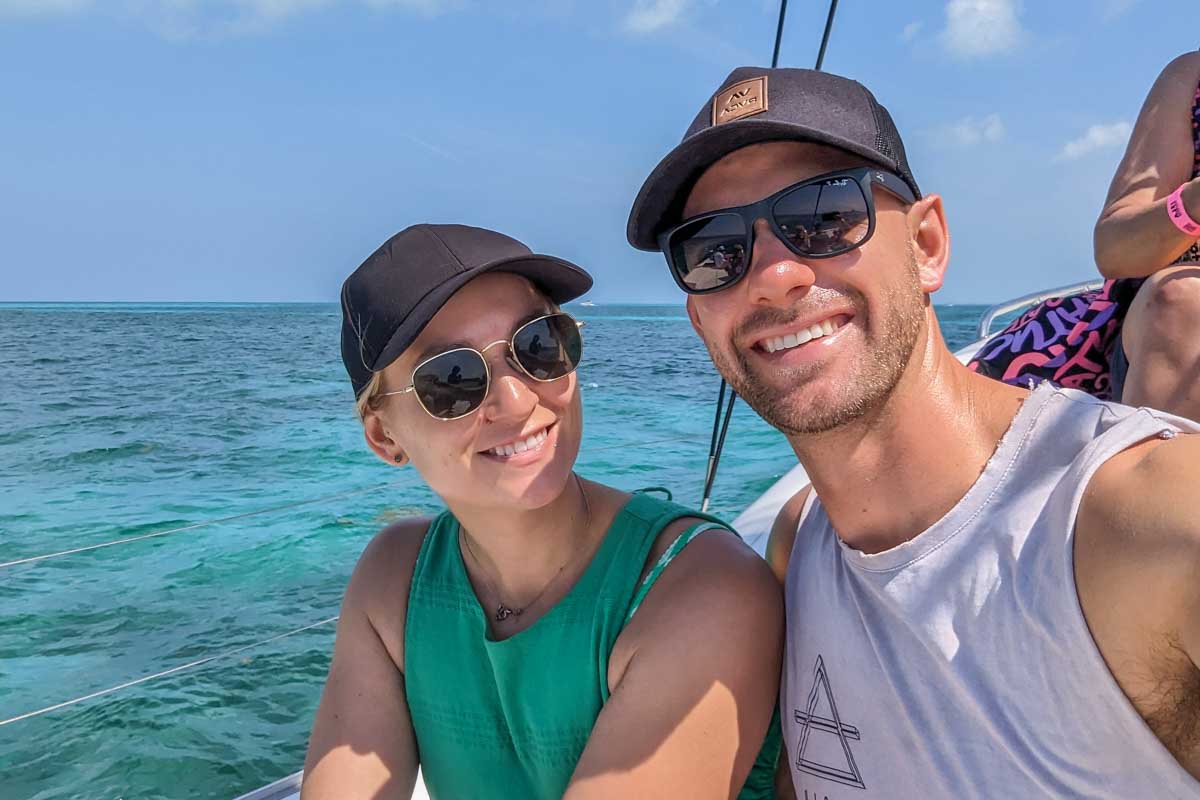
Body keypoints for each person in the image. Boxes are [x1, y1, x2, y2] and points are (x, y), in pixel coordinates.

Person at [626, 67, 1200, 797]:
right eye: (714, 251)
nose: (773, 276)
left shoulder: (1144, 515)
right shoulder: (798, 545)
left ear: (927, 244)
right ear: (700, 320)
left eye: (825, 214)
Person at [301, 223, 783, 799]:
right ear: (384, 437)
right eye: (451, 379)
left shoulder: (700, 588)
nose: (517, 398)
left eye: (538, 345)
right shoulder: (393, 582)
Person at [1095, 50, 1200, 419]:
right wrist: (1192, 203)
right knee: (1184, 302)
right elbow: (1113, 250)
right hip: (1177, 322)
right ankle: (1157, 473)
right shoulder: (1192, 78)